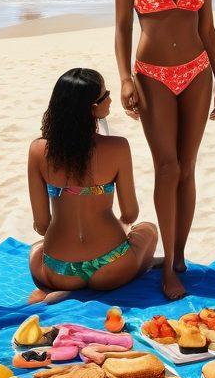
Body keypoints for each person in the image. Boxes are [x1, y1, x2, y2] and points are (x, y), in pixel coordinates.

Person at [114, 0, 215, 299]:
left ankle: (178, 255)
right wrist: (125, 78)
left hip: (197, 72)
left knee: (188, 166)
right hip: (152, 75)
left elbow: (207, 28)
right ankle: (168, 268)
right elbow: (123, 27)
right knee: (168, 167)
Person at [27, 69, 157, 303]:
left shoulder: (38, 151)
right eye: (104, 95)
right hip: (112, 266)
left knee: (36, 249)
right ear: (92, 108)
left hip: (59, 271)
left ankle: (66, 291)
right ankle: (134, 269)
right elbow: (130, 213)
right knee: (148, 229)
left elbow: (42, 225)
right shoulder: (117, 147)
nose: (109, 98)